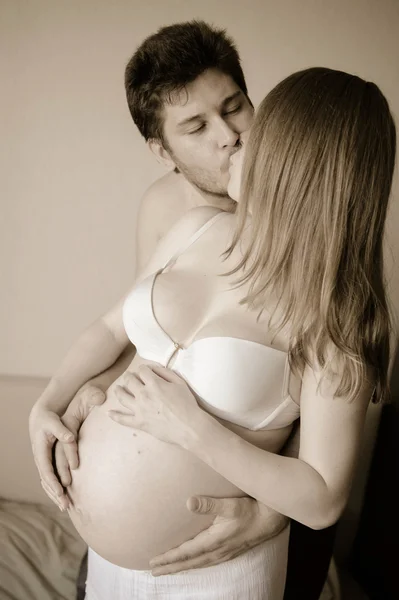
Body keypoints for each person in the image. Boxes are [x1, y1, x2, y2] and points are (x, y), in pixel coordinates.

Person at [26, 22, 385, 598]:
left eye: (240, 112)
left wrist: (264, 506)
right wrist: (65, 400)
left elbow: (318, 481)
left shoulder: (331, 314)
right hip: (111, 560)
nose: (232, 139)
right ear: (162, 150)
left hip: (219, 565)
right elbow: (136, 339)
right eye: (196, 125)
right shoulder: (183, 223)